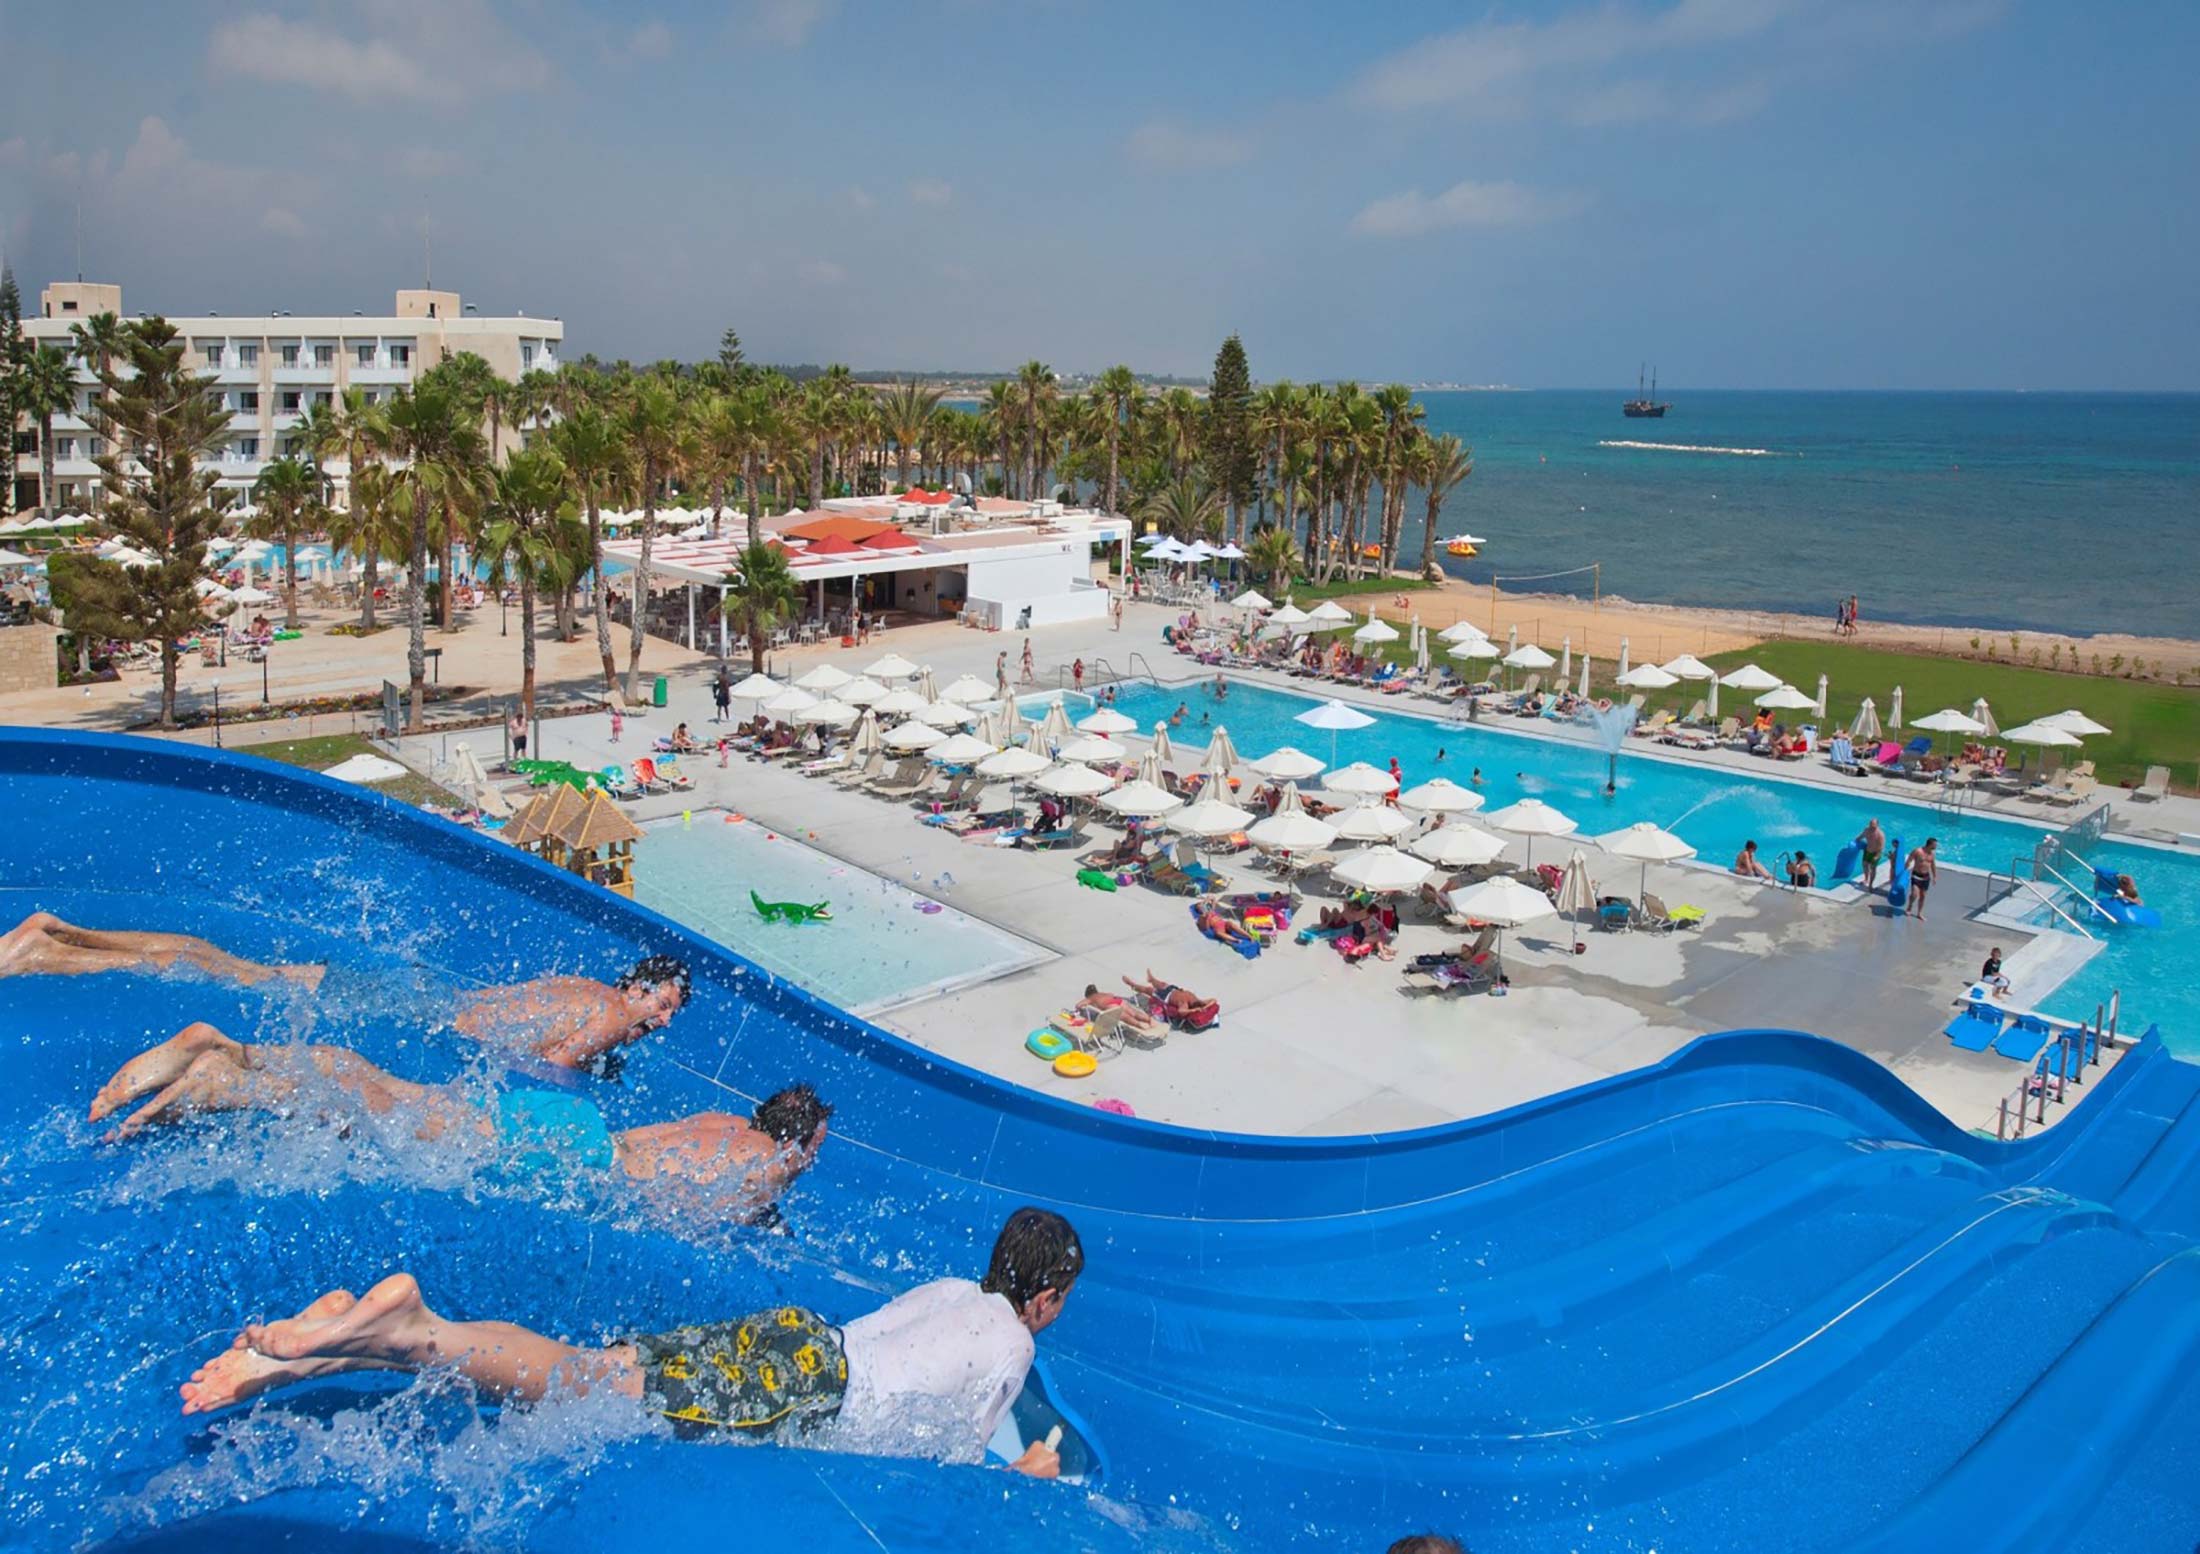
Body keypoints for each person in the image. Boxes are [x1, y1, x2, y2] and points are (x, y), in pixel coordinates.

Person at [178, 1206, 1082, 1480]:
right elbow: (956, 1457)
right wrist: (1029, 1473)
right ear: (1043, 1296)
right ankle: (410, 1333)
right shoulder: (1015, 1345)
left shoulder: (954, 1286)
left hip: (796, 1340)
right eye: (1060, 1301)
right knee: (582, 1388)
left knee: (591, 1366)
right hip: (805, 1388)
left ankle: (363, 1343)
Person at [93, 1022, 827, 1205]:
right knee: (382, 1122)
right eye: (814, 1151)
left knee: (393, 1093)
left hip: (568, 1123)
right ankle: (228, 1083)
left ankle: (240, 1053)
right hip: (572, 1152)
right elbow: (702, 1212)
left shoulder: (715, 1119)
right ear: (795, 1146)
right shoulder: (764, 1165)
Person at [0, 916, 691, 1075]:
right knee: (229, 975)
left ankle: (62, 935)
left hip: (411, 994)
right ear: (634, 984)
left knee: (231, 966)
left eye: (667, 1014)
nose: (659, 1020)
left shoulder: (584, 987)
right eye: (659, 1002)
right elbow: (546, 1068)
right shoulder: (605, 1014)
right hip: (411, 1013)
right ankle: (48, 954)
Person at [1077, 985, 1164, 1037]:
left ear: (1088, 994)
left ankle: (1140, 1025)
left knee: (1126, 1017)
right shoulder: (1103, 993)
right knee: (1134, 1013)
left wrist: (1085, 1005)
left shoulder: (1090, 998)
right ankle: (1149, 1019)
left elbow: (1078, 1005)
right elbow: (1111, 994)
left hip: (1110, 1005)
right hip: (1118, 1001)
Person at [1122, 970, 1207, 1020]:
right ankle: (1152, 979)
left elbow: (1181, 1012)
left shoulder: (1185, 1004)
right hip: (1173, 989)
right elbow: (1213, 1000)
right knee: (1161, 984)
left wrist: (1192, 1011)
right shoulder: (1195, 999)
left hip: (1165, 996)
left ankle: (1131, 984)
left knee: (1148, 990)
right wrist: (1203, 1007)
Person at [1906, 838, 1938, 920]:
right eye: (1935, 844)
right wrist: (1905, 869)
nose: (1936, 846)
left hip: (1926, 877)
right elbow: (1909, 859)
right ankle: (1909, 906)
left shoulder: (1932, 854)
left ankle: (1919, 913)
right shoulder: (1918, 851)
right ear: (1930, 844)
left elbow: (1933, 865)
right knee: (1914, 894)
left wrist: (1934, 876)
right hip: (1916, 875)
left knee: (1923, 896)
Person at [1857, 819, 1887, 891]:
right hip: (1867, 851)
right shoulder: (1867, 830)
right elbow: (1861, 836)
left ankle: (1870, 885)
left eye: (1873, 826)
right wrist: (1856, 841)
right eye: (1871, 825)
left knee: (1873, 868)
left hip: (1876, 853)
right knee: (1865, 865)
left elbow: (1881, 847)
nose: (1871, 827)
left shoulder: (1880, 834)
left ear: (1877, 825)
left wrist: (1877, 856)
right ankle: (1866, 879)